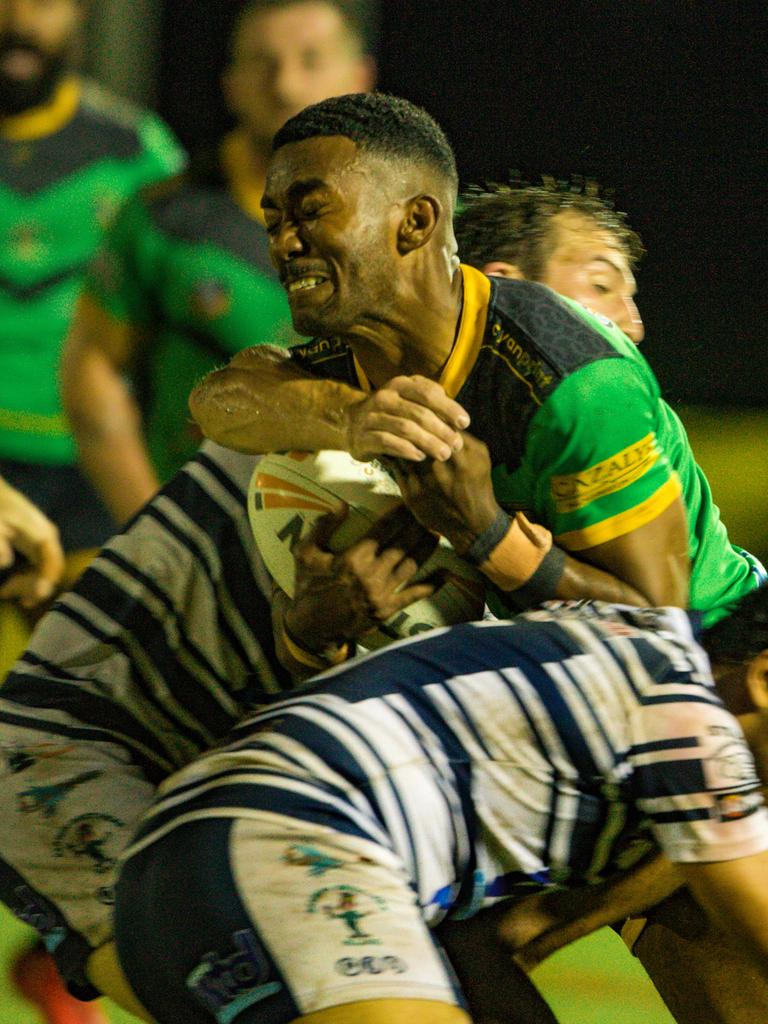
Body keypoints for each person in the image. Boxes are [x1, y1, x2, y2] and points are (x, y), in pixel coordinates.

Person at [188, 92, 760, 632]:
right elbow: (219, 399)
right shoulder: (357, 351)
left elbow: (664, 624)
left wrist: (488, 535)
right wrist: (316, 626)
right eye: (273, 222)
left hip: (726, 671)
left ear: (415, 222)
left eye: (311, 212)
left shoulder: (574, 383)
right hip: (565, 662)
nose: (284, 243)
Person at [107, 589, 768, 1024]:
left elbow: (479, 948)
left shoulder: (634, 653)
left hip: (172, 882)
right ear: (763, 680)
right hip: (295, 841)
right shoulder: (692, 713)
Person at [61, 0, 375, 525]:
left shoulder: (411, 220)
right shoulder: (164, 217)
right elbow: (91, 378)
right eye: (263, 62)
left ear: (361, 77)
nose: (286, 85)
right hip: (209, 534)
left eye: (311, 60)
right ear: (230, 82)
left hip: (367, 541)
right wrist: (159, 533)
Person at [0, 0, 184, 643]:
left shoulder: (138, 151)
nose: (19, 18)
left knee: (87, 688)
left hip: (87, 473)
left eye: (44, 1)